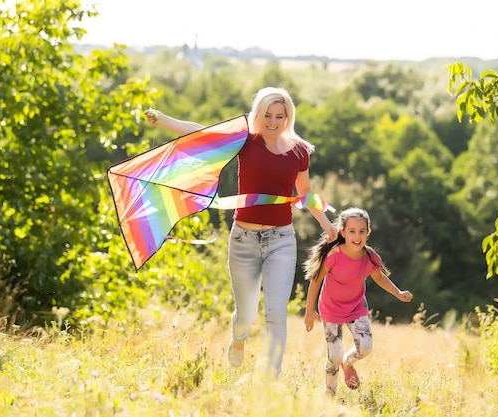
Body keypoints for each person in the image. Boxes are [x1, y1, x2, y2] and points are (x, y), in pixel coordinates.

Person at [144, 87, 337, 377]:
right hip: (243, 239)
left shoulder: (298, 151)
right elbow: (202, 132)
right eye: (268, 115)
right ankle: (239, 338)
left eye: (280, 116)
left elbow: (306, 193)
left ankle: (272, 377)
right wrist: (163, 120)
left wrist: (326, 223)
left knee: (276, 313)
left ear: (288, 116)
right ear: (259, 114)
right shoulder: (246, 140)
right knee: (245, 315)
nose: (273, 122)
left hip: (281, 240)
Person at [303, 207, 413, 396]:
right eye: (352, 231)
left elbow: (379, 277)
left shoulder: (369, 257)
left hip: (356, 308)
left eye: (362, 231)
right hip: (330, 310)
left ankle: (349, 362)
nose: (357, 236)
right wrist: (309, 311)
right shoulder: (334, 256)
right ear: (343, 232)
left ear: (368, 233)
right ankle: (330, 395)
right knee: (334, 356)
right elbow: (316, 280)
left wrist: (398, 292)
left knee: (366, 347)